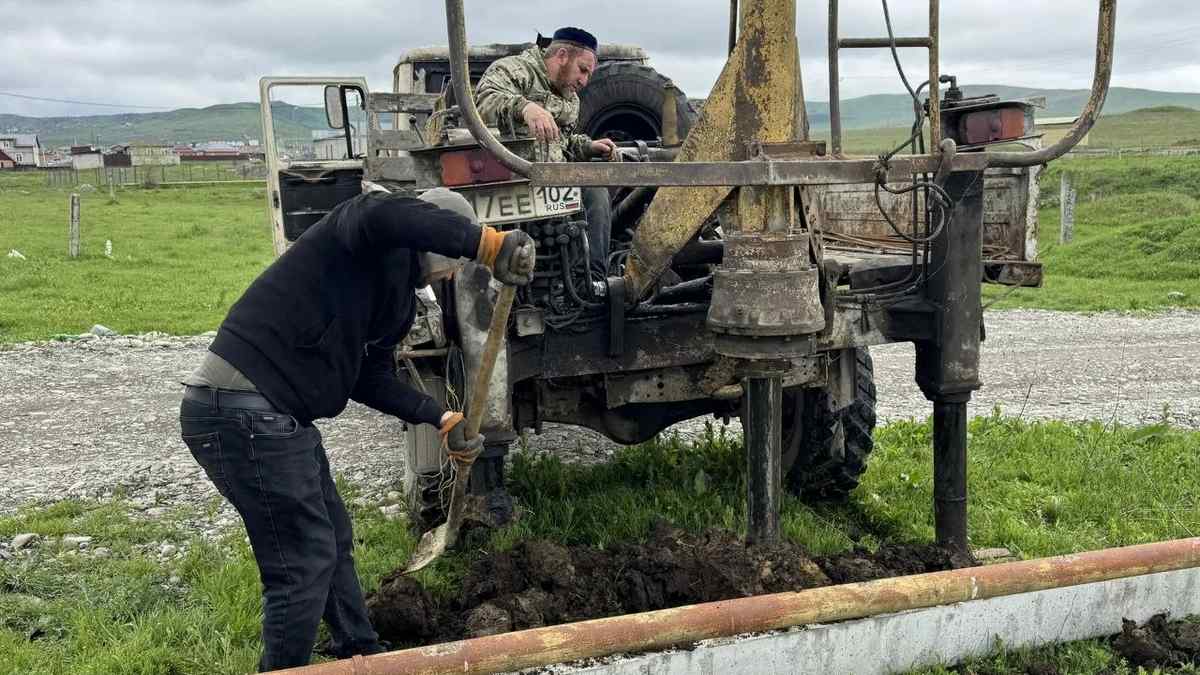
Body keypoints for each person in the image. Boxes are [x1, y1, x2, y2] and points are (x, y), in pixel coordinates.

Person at [178, 187, 534, 671]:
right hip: (242, 411)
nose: (455, 273)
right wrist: (487, 244)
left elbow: (369, 378)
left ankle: (359, 651)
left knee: (332, 539)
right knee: (302, 562)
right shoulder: (361, 236)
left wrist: (439, 417)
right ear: (434, 240)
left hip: (275, 418)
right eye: (455, 258)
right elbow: (379, 210)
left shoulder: (397, 302)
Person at [475, 26, 618, 281]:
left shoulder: (570, 98)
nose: (584, 81)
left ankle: (591, 281)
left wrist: (587, 146)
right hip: (511, 180)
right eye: (582, 70)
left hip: (553, 182)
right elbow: (483, 102)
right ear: (562, 56)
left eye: (588, 74)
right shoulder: (515, 70)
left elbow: (561, 142)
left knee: (596, 192)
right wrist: (525, 108)